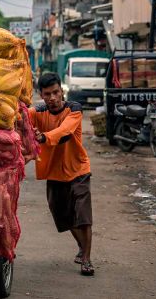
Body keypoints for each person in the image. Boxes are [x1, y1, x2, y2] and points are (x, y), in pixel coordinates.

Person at [28, 72, 95, 276]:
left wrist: (43, 138)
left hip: (78, 169)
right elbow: (21, 118)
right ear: (41, 94)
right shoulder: (37, 112)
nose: (53, 98)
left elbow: (65, 131)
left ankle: (86, 259)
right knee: (64, 218)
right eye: (47, 94)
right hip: (54, 172)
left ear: (62, 91)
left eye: (56, 92)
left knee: (83, 217)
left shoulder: (74, 109)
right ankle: (82, 248)